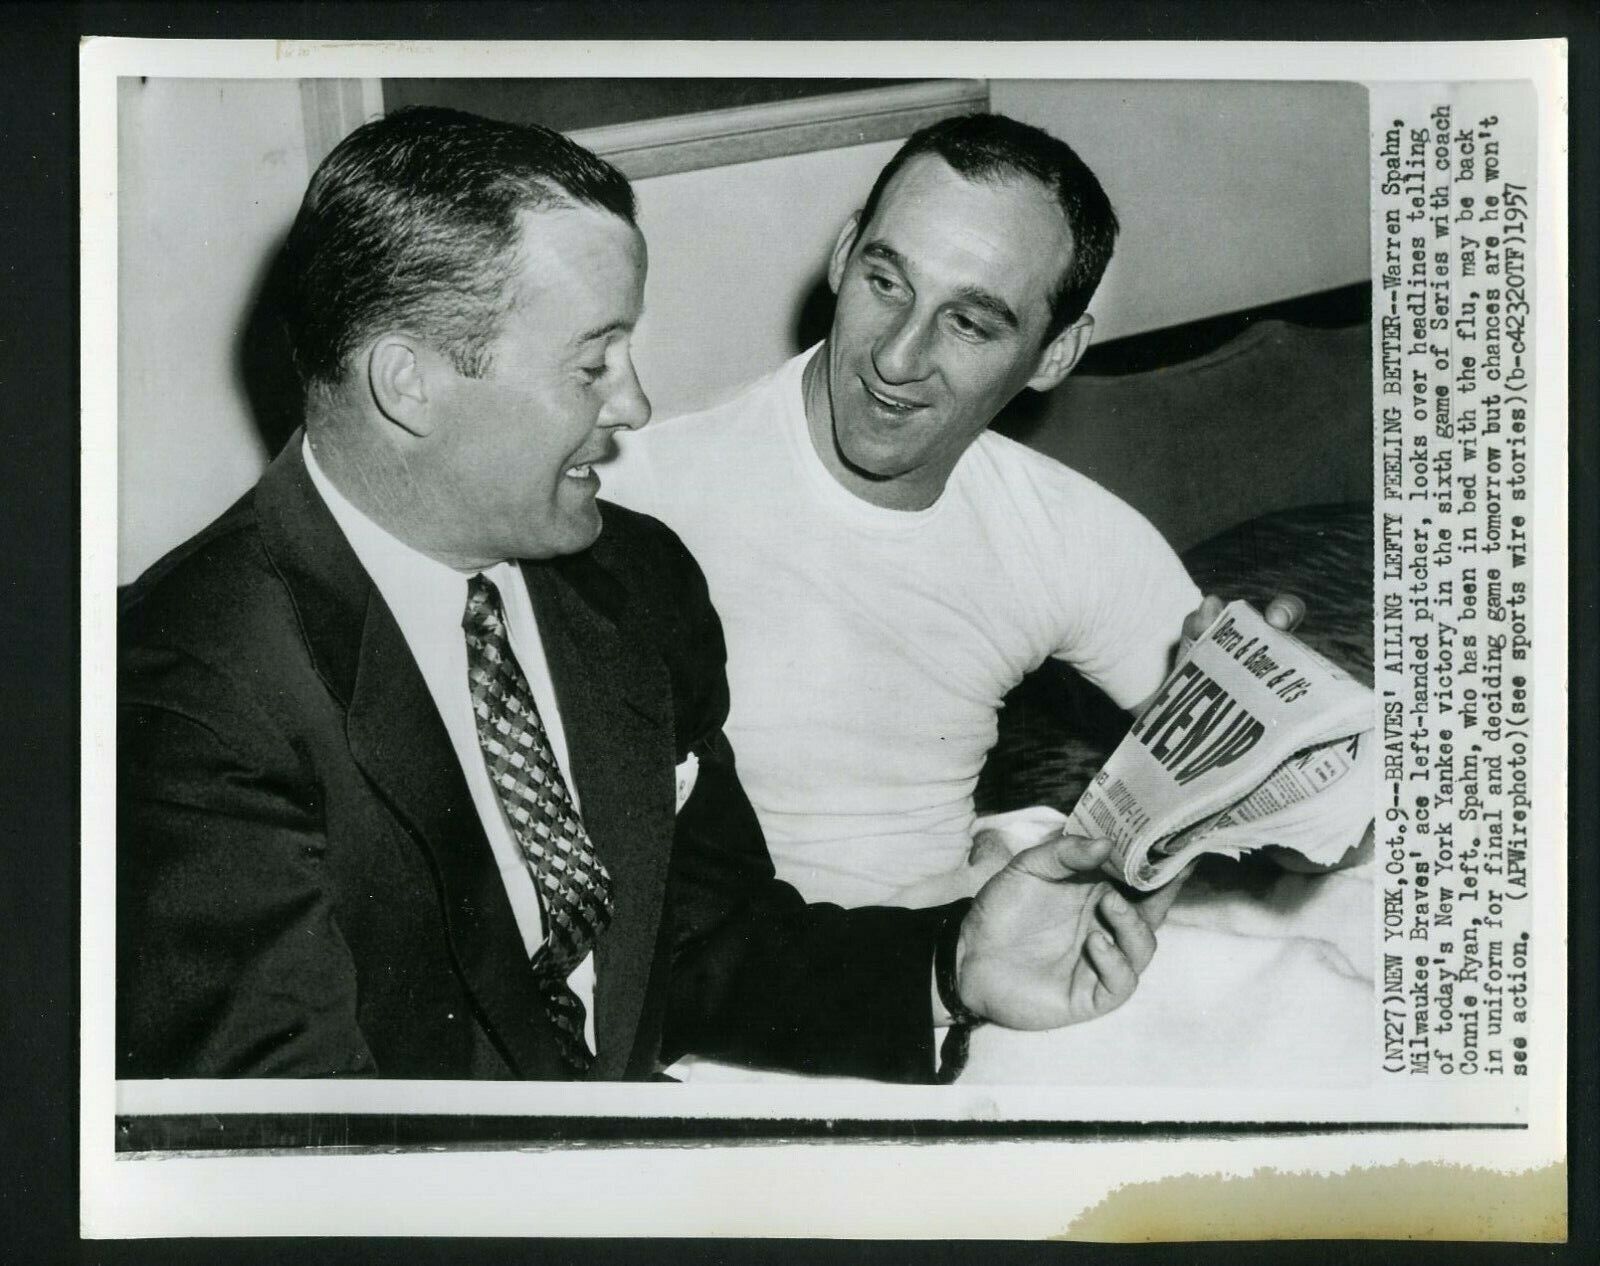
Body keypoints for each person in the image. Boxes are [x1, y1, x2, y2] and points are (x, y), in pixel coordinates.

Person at [117, 106, 1164, 1083]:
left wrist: (950, 965)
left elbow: (702, 946)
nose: (637, 403)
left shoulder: (634, 579)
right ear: (411, 383)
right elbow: (297, 1154)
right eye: (592, 363)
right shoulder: (185, 692)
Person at [603, 113, 1307, 911]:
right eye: (886, 282)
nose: (895, 358)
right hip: (712, 982)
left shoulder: (1066, 532)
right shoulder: (638, 493)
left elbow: (1318, 839)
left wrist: (1278, 734)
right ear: (842, 256)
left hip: (955, 960)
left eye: (968, 322)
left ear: (1054, 355)